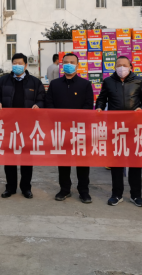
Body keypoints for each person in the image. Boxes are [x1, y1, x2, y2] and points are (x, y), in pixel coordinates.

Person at [96, 56, 142, 207]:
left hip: (134, 127)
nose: (121, 68)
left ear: (130, 67)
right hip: (115, 128)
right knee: (116, 163)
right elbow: (102, 99)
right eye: (118, 65)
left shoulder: (138, 81)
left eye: (124, 65)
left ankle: (136, 195)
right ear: (114, 67)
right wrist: (99, 107)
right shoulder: (108, 81)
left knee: (135, 162)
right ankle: (116, 194)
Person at [0, 53, 45, 199]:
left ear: (26, 65)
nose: (17, 66)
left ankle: (26, 187)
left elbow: (42, 99)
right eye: (14, 63)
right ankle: (10, 187)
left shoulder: (35, 82)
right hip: (8, 125)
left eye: (20, 63)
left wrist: (38, 105)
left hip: (28, 126)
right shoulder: (3, 81)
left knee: (26, 158)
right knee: (10, 158)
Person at [45, 53, 95, 203]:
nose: (69, 64)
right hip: (61, 129)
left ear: (77, 65)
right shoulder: (54, 84)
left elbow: (88, 105)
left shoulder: (85, 84)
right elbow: (49, 103)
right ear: (62, 65)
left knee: (82, 161)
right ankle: (64, 189)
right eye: (66, 62)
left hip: (80, 129)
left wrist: (76, 121)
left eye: (72, 62)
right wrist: (58, 119)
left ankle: (84, 191)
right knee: (63, 160)